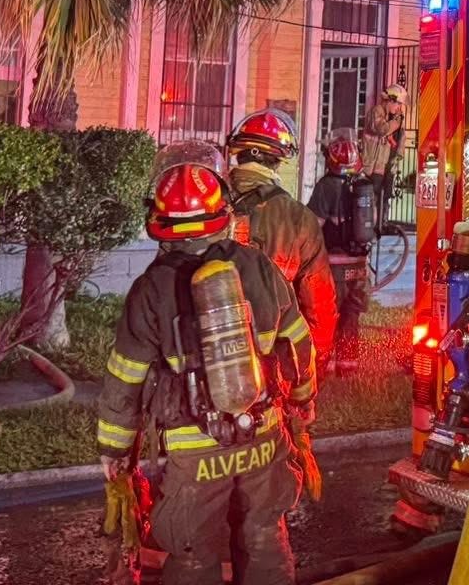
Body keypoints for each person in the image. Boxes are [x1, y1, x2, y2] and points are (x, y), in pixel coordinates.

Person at [96, 142, 318, 585]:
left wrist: (115, 451)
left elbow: (125, 380)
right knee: (263, 536)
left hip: (193, 447)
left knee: (192, 550)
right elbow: (297, 343)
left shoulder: (150, 289)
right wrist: (302, 403)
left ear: (160, 224)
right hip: (262, 433)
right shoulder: (258, 267)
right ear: (223, 214)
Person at [226, 109, 338, 363]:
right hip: (274, 356)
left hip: (208, 361)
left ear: (239, 155)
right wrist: (313, 362)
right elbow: (318, 300)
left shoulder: (208, 206)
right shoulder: (298, 218)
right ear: (277, 161)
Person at [307, 133, 374, 372]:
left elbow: (313, 225)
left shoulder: (325, 187)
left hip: (333, 265)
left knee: (328, 313)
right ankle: (348, 366)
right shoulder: (363, 186)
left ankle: (324, 364)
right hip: (359, 263)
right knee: (351, 313)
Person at [360, 84, 408, 202]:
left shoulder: (393, 117)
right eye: (398, 103)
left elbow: (400, 138)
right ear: (389, 100)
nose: (399, 107)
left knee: (385, 200)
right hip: (373, 168)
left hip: (386, 167)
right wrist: (396, 122)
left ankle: (383, 220)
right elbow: (383, 129)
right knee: (372, 201)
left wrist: (398, 156)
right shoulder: (376, 111)